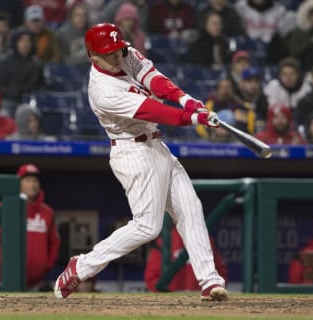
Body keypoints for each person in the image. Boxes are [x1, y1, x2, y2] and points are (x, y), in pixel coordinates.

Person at [53, 23, 228, 302]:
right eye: (108, 53)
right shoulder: (102, 90)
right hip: (132, 153)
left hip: (156, 145)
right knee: (148, 227)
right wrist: (192, 117)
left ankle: (209, 281)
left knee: (190, 209)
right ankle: (82, 266)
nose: (116, 56)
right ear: (92, 56)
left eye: (118, 49)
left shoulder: (125, 53)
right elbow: (153, 110)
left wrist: (187, 100)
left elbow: (155, 79)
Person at [0, 164, 60, 288]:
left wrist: (46, 265)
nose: (32, 184)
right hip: (3, 280)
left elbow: (54, 242)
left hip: (37, 283)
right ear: (19, 183)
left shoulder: (47, 212)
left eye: (35, 180)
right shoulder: (3, 208)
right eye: (27, 180)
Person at [145, 227, 228, 292]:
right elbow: (151, 277)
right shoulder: (166, 239)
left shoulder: (205, 238)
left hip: (201, 298)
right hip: (172, 301)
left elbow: (221, 272)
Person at [0, 30, 44, 117]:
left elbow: (41, 84)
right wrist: (13, 92)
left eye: (28, 41)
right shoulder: (4, 62)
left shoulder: (37, 64)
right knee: (5, 112)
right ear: (15, 43)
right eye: (22, 41)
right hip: (10, 100)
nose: (26, 44)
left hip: (31, 101)